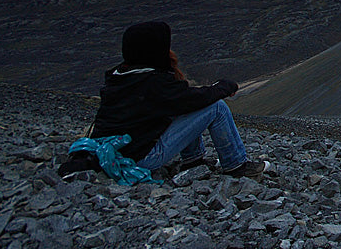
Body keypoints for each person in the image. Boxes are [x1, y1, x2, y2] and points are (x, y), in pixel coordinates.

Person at [77, 21, 268, 178]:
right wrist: (223, 88)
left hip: (122, 151)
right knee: (217, 108)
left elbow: (181, 99)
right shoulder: (151, 83)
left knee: (185, 106)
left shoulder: (121, 76)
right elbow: (192, 99)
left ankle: (194, 161)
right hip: (142, 157)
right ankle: (236, 166)